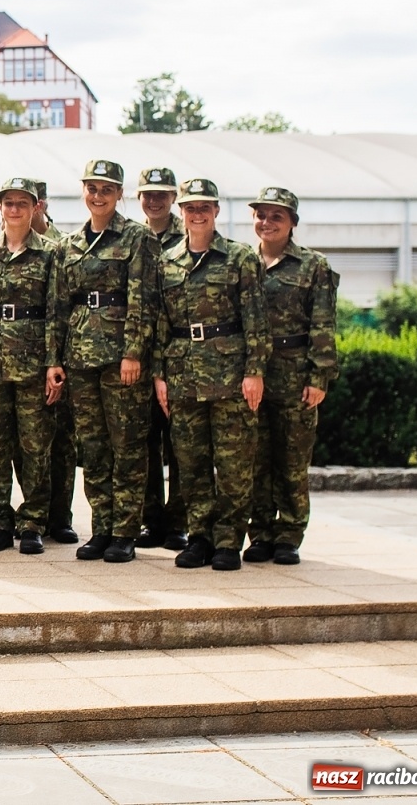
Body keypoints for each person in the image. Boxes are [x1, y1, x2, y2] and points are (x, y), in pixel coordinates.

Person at [154, 178, 271, 571]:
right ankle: (199, 536)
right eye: (190, 207)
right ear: (181, 212)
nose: (197, 213)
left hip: (230, 375)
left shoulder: (239, 259)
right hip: (184, 375)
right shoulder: (168, 260)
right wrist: (160, 375)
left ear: (216, 211)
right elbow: (160, 324)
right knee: (191, 463)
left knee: (234, 463)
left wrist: (254, 372)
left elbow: (256, 320)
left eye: (204, 206)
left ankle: (227, 540)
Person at [54, 159, 162, 564]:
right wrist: (57, 357)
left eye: (106, 189)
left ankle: (124, 532)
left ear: (119, 195)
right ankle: (101, 527)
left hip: (121, 359)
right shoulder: (71, 243)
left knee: (128, 446)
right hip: (82, 358)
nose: (97, 195)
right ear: (84, 191)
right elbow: (60, 304)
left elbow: (143, 299)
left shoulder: (137, 238)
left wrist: (134, 351)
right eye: (92, 188)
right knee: (94, 448)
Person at [0, 178, 64, 555]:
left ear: (36, 207)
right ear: (0, 207)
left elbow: (56, 312)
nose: (16, 209)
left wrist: (54, 363)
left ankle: (33, 521)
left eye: (23, 203)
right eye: (9, 202)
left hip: (34, 362)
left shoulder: (51, 254)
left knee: (36, 446)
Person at [245, 186, 337, 566]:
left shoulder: (314, 266)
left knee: (292, 460)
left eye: (276, 217)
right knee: (255, 458)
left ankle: (289, 534)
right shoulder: (242, 262)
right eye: (261, 215)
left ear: (292, 224)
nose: (267, 223)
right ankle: (261, 533)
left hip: (295, 372)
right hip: (253, 374)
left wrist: (320, 376)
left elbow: (324, 323)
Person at [135, 167, 188, 551]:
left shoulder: (190, 239)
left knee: (181, 443)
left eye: (162, 195)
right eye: (148, 195)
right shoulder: (132, 239)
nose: (154, 201)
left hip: (178, 355)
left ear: (174, 198)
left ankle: (179, 521)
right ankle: (151, 519)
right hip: (137, 353)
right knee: (144, 441)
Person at [28, 178, 78, 544]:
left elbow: (66, 307)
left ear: (41, 206)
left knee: (61, 441)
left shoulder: (64, 247)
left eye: (30, 202)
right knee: (23, 444)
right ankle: (31, 514)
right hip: (18, 361)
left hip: (59, 360)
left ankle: (60, 517)